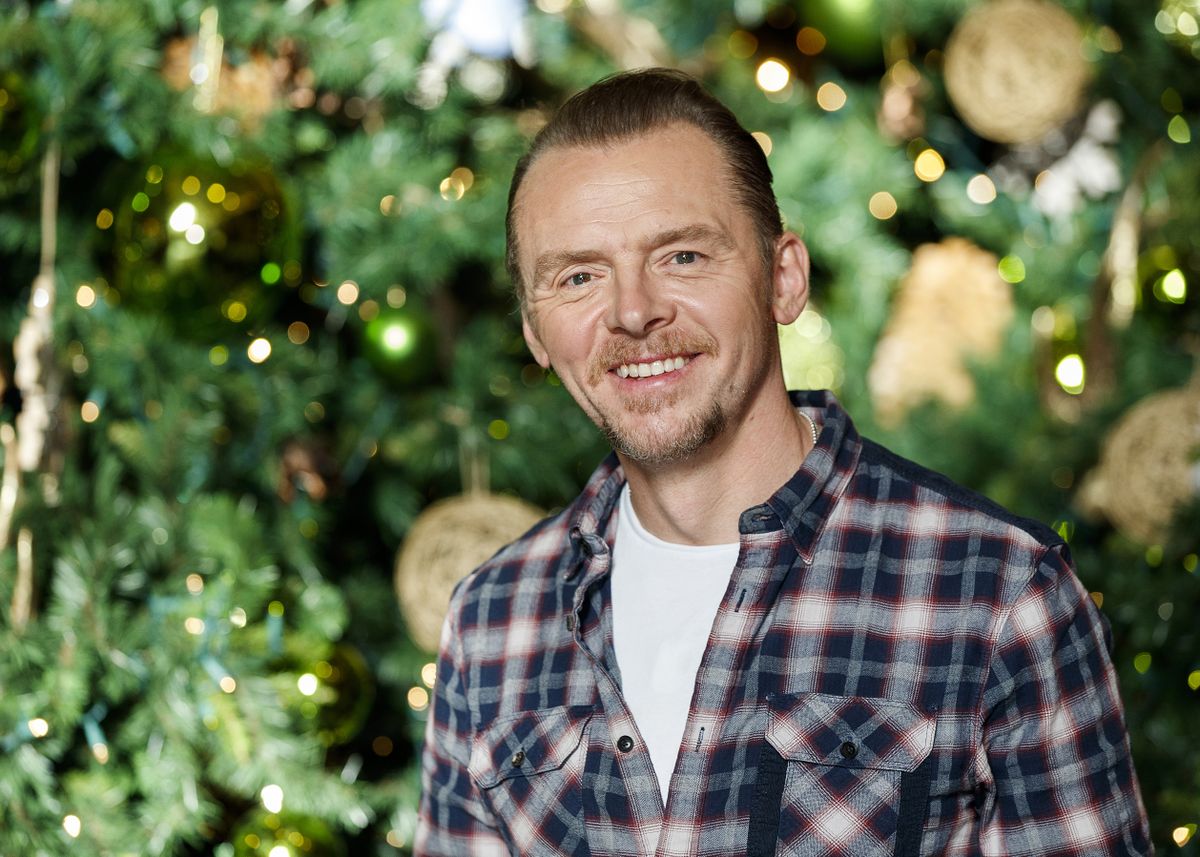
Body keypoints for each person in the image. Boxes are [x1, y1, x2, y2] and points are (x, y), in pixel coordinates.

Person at [414, 68, 1151, 856]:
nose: (633, 312)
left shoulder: (1001, 594)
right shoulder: (491, 619)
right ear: (534, 331)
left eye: (683, 256)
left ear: (783, 277)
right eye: (579, 277)